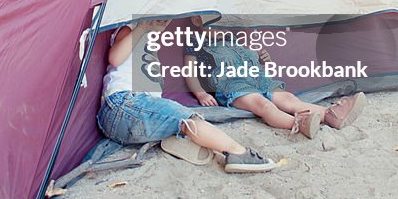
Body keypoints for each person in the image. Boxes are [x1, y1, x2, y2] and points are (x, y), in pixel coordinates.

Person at [97, 18, 277, 173]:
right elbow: (115, 58)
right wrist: (142, 27)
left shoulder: (150, 45)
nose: (164, 22)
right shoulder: (129, 30)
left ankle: (175, 139)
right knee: (189, 118)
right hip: (122, 104)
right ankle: (238, 153)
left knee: (174, 118)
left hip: (134, 121)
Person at [184, 17, 365, 139]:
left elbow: (248, 58)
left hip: (258, 78)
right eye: (213, 23)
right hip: (233, 86)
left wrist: (262, 58)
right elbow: (189, 71)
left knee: (288, 99)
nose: (221, 28)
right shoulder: (195, 40)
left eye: (224, 22)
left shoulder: (234, 36)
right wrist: (201, 94)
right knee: (264, 105)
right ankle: (297, 123)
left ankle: (329, 115)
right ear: (197, 20)